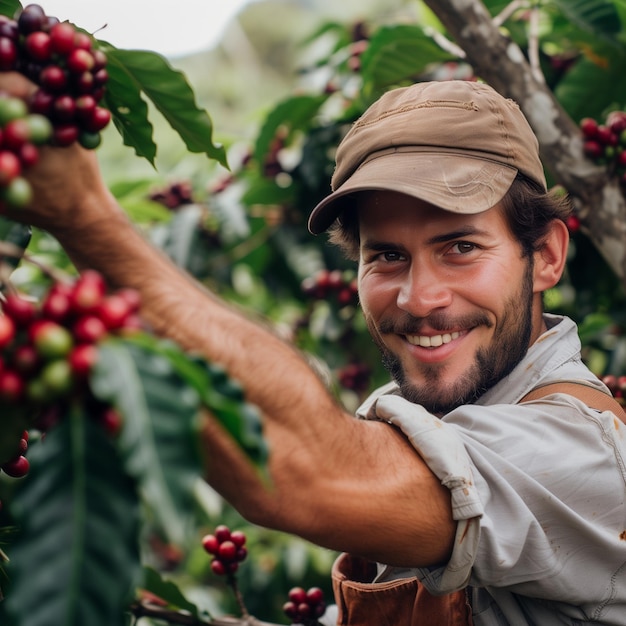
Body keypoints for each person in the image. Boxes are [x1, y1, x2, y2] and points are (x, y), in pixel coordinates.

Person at [2, 74, 626, 625]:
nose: (419, 297)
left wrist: (86, 217)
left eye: (460, 247)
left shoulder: (584, 453)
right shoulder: (410, 418)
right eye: (385, 255)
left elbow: (308, 471)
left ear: (544, 255)